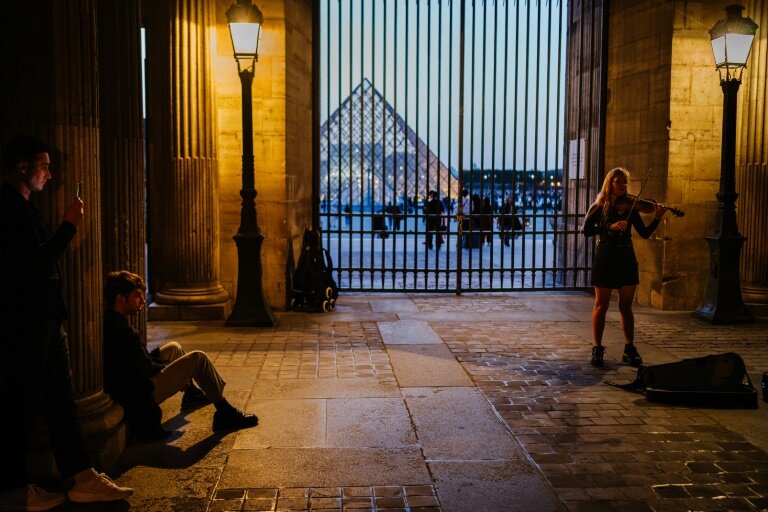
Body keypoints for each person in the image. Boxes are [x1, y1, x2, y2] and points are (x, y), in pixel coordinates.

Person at [0, 134, 134, 511]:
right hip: (26, 325)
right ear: (22, 167)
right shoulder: (8, 209)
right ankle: (12, 489)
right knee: (22, 405)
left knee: (62, 401)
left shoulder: (25, 206)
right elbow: (34, 264)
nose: (49, 174)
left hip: (45, 320)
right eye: (43, 167)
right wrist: (68, 226)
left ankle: (81, 477)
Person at [102, 270, 258, 440]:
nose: (143, 301)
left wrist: (173, 370)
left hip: (138, 380)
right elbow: (145, 369)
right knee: (198, 358)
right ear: (120, 299)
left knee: (173, 347)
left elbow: (138, 361)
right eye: (137, 296)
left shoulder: (112, 321)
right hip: (141, 393)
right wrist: (176, 373)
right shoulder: (122, 331)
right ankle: (225, 411)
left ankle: (191, 394)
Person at [581, 167, 667, 368]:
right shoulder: (599, 206)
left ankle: (629, 348)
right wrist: (609, 226)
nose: (622, 185)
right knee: (601, 305)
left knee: (626, 307)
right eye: (618, 181)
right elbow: (586, 230)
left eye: (625, 182)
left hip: (626, 258)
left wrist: (657, 218)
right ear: (610, 183)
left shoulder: (631, 207)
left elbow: (644, 233)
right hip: (606, 258)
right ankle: (597, 348)